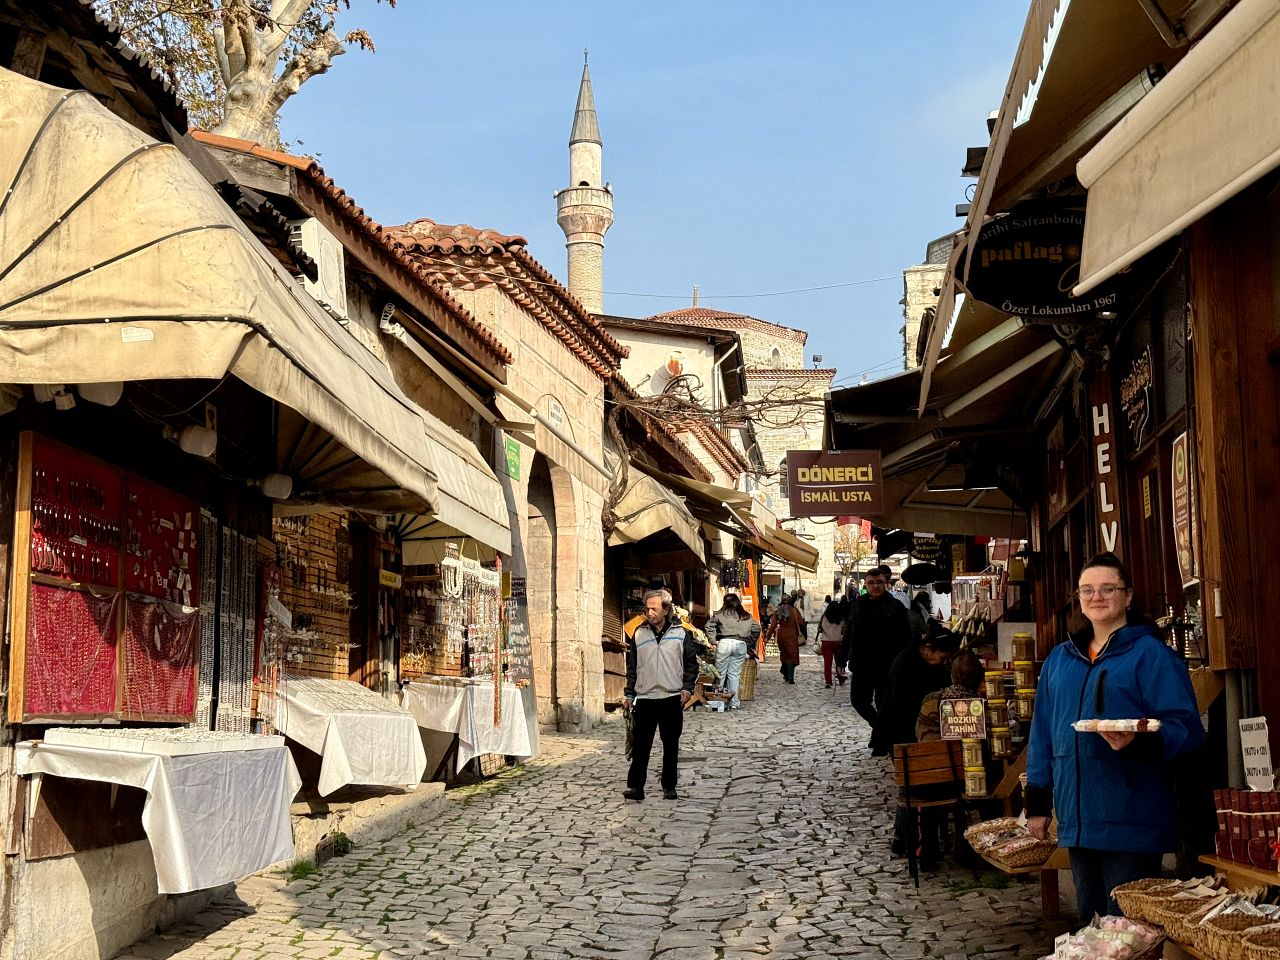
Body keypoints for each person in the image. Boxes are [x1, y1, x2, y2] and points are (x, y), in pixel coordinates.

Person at [1026, 552, 1205, 922]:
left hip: (1132, 817)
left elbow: (1185, 729)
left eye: (1109, 588)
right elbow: (1042, 732)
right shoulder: (1061, 659)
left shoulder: (1151, 655)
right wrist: (1039, 802)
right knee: (1090, 926)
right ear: (1078, 598)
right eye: (1088, 590)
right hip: (1077, 821)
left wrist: (1138, 740)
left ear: (1128, 596)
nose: (1097, 597)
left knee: (1125, 929)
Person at [623, 589, 701, 802]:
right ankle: (636, 787)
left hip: (671, 697)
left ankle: (669, 786)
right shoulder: (638, 633)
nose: (649, 612)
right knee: (641, 746)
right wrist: (629, 695)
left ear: (665, 610)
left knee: (670, 745)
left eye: (654, 608)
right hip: (646, 698)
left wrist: (687, 689)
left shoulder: (681, 633)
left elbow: (691, 665)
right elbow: (632, 667)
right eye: (647, 608)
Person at [838, 564, 913, 745]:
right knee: (858, 701)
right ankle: (881, 731)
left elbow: (906, 637)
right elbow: (849, 634)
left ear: (885, 583)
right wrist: (841, 659)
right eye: (871, 583)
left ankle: (881, 739)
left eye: (879, 582)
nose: (876, 586)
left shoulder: (895, 607)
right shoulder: (857, 606)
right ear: (866, 585)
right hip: (862, 664)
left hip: (886, 665)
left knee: (884, 705)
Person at [872, 621, 960, 754]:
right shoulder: (904, 666)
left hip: (923, 727)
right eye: (943, 658)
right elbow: (902, 705)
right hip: (901, 730)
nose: (946, 662)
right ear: (928, 648)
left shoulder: (935, 664)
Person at [706, 593, 760, 710]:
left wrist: (713, 640)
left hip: (724, 643)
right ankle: (734, 702)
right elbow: (757, 629)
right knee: (734, 675)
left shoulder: (720, 614)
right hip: (741, 644)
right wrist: (749, 643)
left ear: (725, 602)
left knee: (720, 673)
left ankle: (718, 700)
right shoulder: (746, 616)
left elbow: (709, 625)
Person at [916, 651, 984, 742]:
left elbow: (922, 736)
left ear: (952, 677)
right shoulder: (983, 707)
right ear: (980, 682)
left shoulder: (931, 701)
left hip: (933, 754)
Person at [766, 595, 804, 684]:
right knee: (792, 656)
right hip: (792, 636)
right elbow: (801, 622)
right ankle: (790, 676)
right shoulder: (794, 611)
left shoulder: (778, 611)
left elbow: (773, 626)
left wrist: (767, 637)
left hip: (781, 636)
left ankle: (786, 674)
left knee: (785, 655)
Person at [816, 597, 848, 688]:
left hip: (826, 641)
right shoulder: (840, 618)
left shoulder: (824, 617)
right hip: (837, 642)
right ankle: (840, 678)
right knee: (839, 662)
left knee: (827, 663)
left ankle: (828, 681)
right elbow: (844, 630)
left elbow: (819, 629)